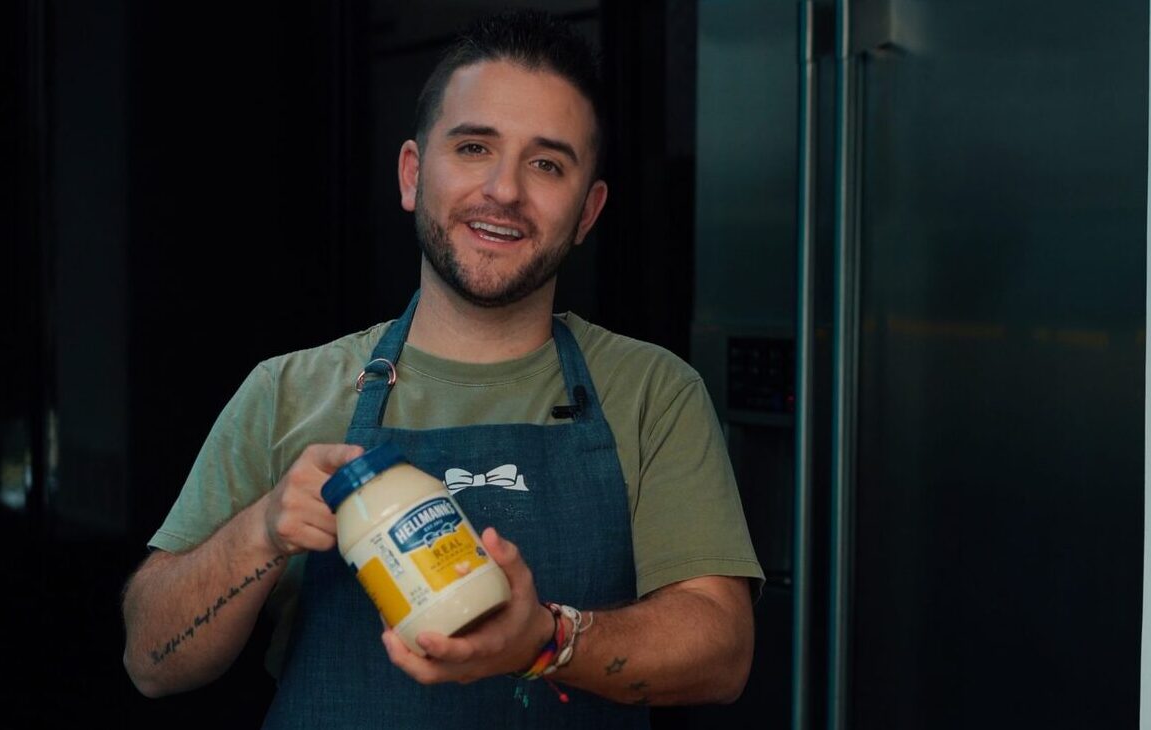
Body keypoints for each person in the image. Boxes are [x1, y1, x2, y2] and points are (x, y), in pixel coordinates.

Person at [122, 9, 763, 728]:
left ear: (588, 211)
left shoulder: (653, 392)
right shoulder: (287, 392)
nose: (505, 191)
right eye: (473, 147)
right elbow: (151, 662)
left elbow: (723, 652)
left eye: (547, 163)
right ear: (411, 173)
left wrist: (547, 639)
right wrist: (262, 532)